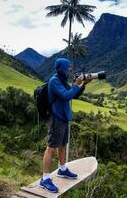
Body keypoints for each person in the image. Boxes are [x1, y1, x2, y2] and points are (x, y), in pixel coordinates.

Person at [40, 58, 91, 193]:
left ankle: (62, 169)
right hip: (56, 118)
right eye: (68, 67)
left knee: (62, 145)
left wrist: (83, 85)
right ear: (62, 67)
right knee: (51, 148)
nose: (70, 69)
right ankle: (44, 179)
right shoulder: (54, 81)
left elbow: (74, 95)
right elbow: (66, 95)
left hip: (64, 118)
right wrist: (76, 84)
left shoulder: (62, 81)